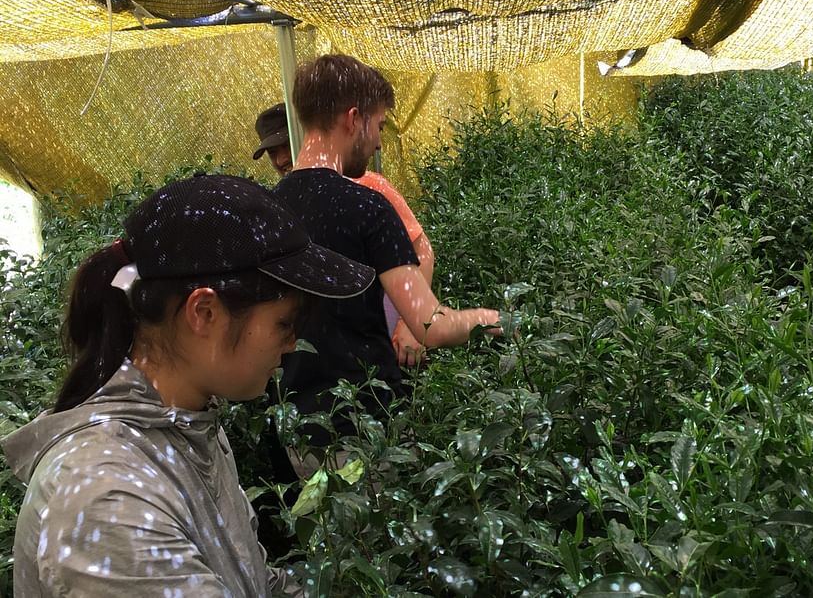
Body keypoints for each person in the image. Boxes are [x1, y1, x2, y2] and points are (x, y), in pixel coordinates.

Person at [1, 174, 375, 597]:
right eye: (285, 323)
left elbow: (254, 582)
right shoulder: (108, 498)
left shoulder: (188, 425)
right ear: (204, 312)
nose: (292, 344)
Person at [273, 54, 501, 457]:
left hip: (294, 429)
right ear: (353, 118)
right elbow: (431, 326)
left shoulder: (267, 208)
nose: (378, 141)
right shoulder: (368, 207)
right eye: (378, 125)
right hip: (363, 424)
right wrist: (497, 319)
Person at [253, 101, 434, 362]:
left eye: (285, 145)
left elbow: (422, 250)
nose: (281, 159)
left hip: (379, 352)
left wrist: (412, 324)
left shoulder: (369, 187)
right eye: (272, 152)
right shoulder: (279, 205)